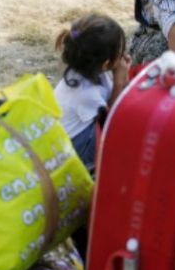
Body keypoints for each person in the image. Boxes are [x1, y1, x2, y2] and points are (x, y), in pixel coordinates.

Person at [54, 13, 131, 172]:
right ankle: (90, 169)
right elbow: (112, 120)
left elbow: (111, 99)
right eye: (120, 51)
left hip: (66, 140)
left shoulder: (90, 71)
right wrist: (119, 81)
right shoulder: (85, 93)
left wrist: (121, 79)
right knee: (115, 138)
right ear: (106, 63)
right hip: (66, 152)